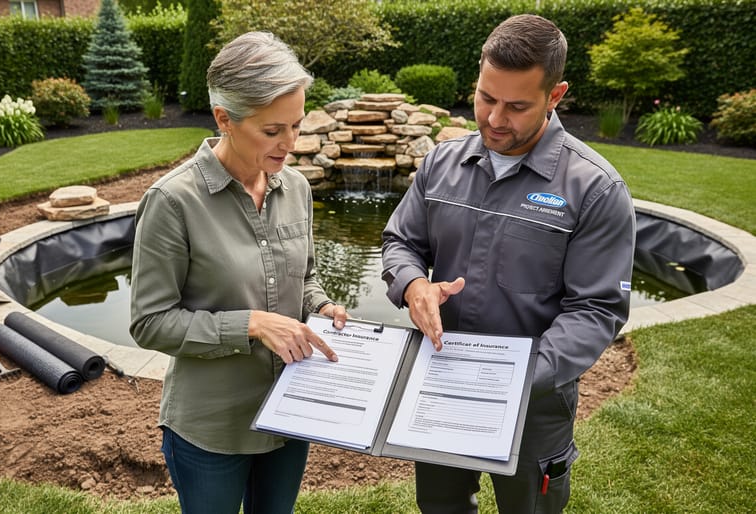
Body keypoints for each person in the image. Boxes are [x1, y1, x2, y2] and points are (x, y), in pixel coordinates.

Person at [381, 14, 636, 514]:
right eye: (485, 98)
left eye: (517, 106)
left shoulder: (596, 189)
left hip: (534, 408)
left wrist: (515, 378)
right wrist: (413, 286)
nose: (495, 119)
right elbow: (400, 242)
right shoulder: (441, 163)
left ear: (555, 95)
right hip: (442, 386)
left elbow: (596, 310)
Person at [129, 31, 348, 514]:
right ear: (224, 119)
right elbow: (149, 322)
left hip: (290, 412)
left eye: (296, 124)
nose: (291, 144)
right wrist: (249, 324)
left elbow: (305, 277)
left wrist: (321, 305)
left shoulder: (296, 189)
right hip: (212, 428)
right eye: (273, 131)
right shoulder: (172, 202)